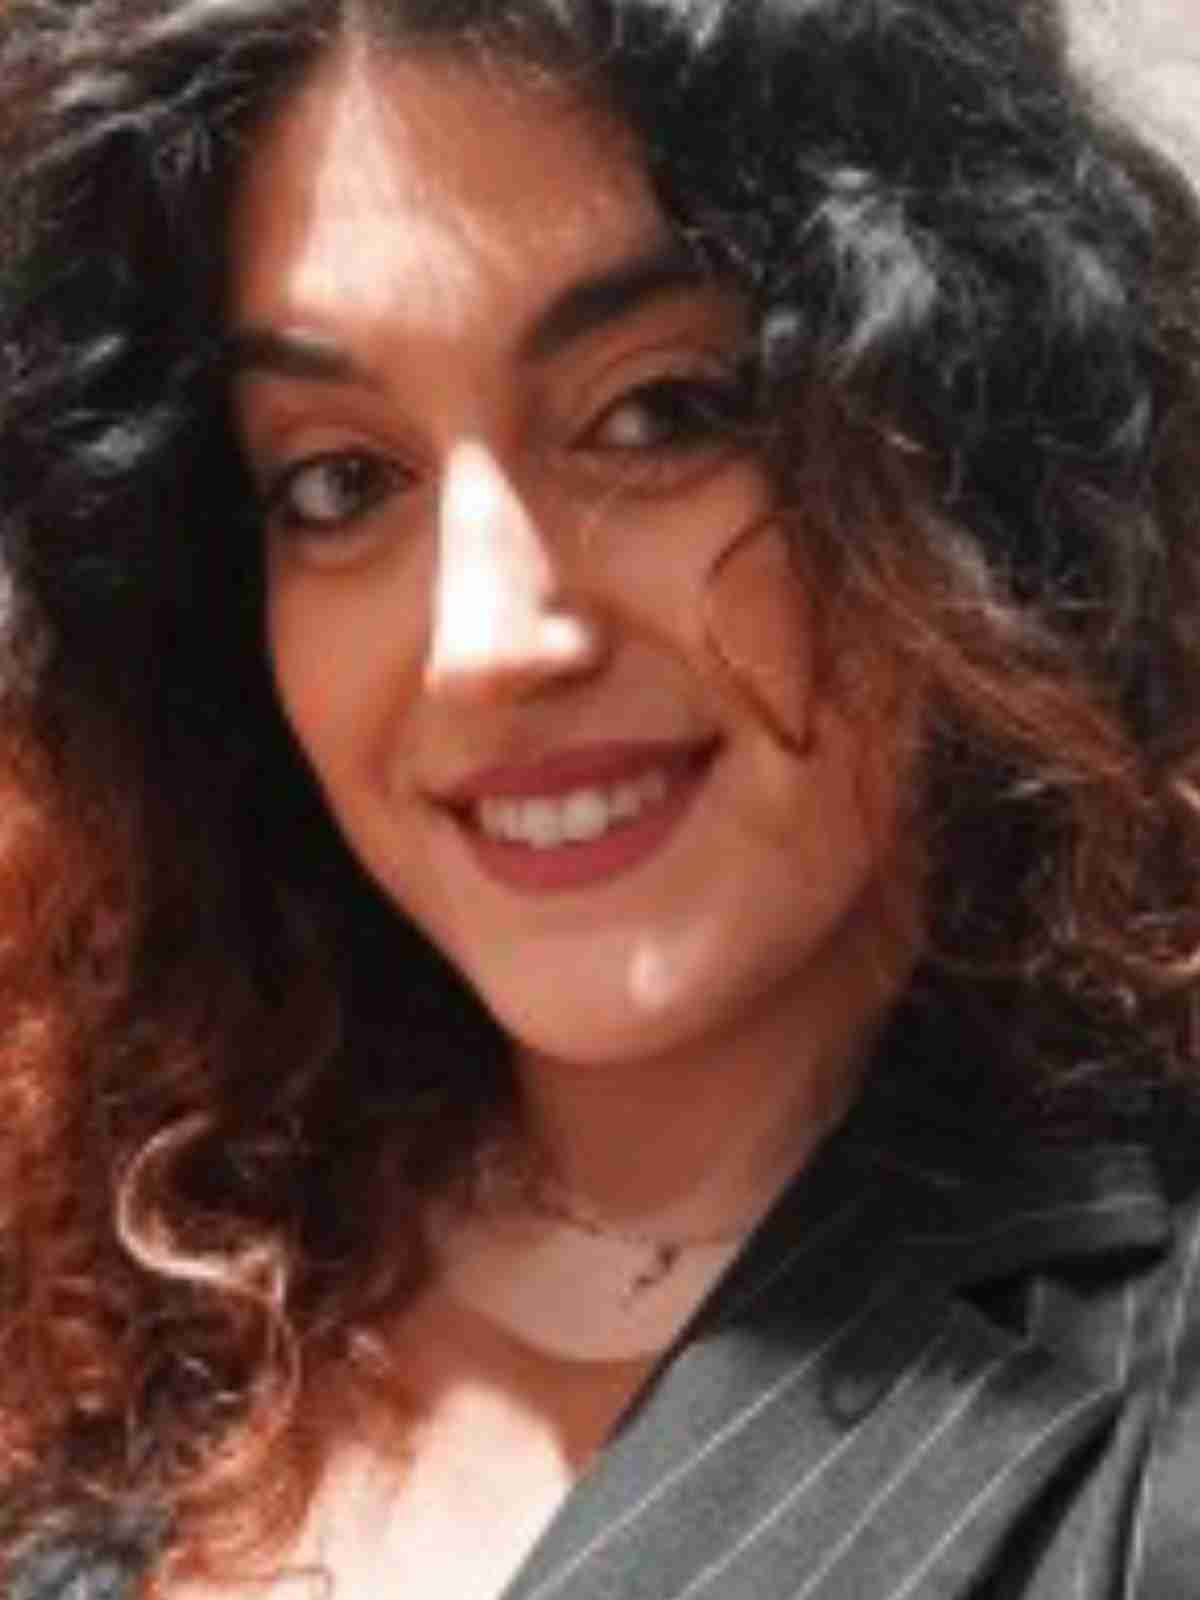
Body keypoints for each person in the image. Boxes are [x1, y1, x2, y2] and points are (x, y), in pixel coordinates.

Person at [0, 0, 1199, 1594]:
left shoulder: (1159, 1430)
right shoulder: (123, 1238)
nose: (488, 640)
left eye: (660, 411)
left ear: (959, 429)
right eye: (341, 481)